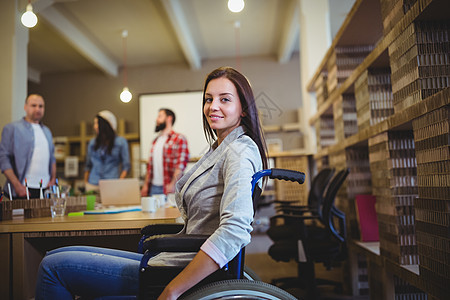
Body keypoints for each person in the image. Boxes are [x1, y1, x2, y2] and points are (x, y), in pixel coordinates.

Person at [35, 66, 268, 300]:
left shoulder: (239, 151)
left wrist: (173, 290)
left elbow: (235, 229)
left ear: (244, 109)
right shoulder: (221, 148)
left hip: (184, 270)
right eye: (208, 99)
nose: (212, 106)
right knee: (60, 252)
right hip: (179, 258)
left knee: (52, 266)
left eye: (224, 99)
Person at [0, 94, 56, 199]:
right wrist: (17, 185)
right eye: (33, 105)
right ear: (25, 107)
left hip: (45, 190)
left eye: (41, 106)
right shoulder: (12, 128)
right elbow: (3, 158)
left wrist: (53, 180)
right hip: (22, 189)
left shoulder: (47, 131)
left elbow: (52, 158)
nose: (37, 109)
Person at [140, 108, 189, 196]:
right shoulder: (155, 141)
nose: (156, 120)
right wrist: (146, 185)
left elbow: (180, 165)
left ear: (169, 118)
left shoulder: (179, 139)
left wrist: (173, 184)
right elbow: (150, 166)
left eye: (160, 116)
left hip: (169, 188)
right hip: (153, 188)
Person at [84, 110, 131, 192]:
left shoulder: (121, 142)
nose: (95, 127)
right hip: (93, 184)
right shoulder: (92, 143)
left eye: (97, 123)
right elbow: (88, 165)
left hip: (112, 184)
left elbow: (126, 166)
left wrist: (120, 182)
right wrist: (86, 183)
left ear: (106, 125)